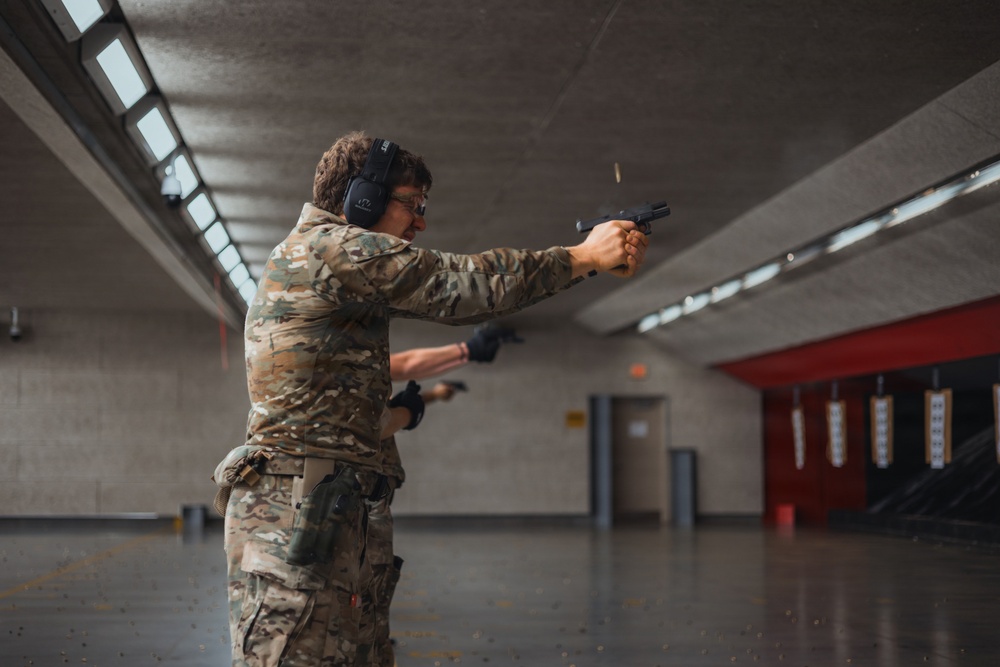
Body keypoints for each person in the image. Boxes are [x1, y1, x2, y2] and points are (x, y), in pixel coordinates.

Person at [218, 131, 649, 667]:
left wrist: (409, 410)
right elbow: (457, 283)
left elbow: (336, 415)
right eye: (411, 204)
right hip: (300, 517)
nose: (420, 222)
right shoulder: (329, 249)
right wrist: (584, 256)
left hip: (328, 510)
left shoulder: (328, 268)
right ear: (363, 199)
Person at [369, 328, 510, 667]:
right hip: (357, 498)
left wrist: (431, 397)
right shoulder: (339, 358)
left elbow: (392, 402)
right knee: (363, 575)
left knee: (373, 575)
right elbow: (403, 366)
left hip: (369, 494)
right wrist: (466, 350)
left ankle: (371, 637)